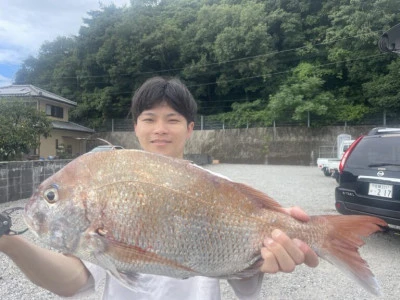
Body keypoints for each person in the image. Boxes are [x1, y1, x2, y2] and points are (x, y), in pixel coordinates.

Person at [0, 76, 318, 299]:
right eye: (149, 119)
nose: (160, 130)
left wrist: (267, 256)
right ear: (136, 126)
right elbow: (73, 282)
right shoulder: (107, 187)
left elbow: (243, 281)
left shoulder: (223, 189)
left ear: (191, 128)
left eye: (173, 120)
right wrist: (8, 242)